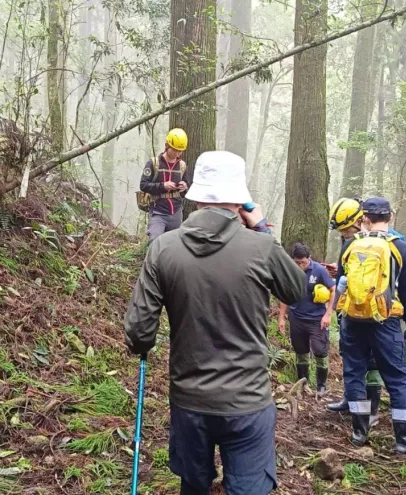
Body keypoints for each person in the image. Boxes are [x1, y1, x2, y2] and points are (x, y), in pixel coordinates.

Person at [124, 150, 305, 495]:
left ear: (194, 195)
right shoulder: (261, 248)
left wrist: (142, 345)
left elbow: (138, 331)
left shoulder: (163, 248)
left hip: (189, 402)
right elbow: (296, 291)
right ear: (241, 200)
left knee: (194, 486)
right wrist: (263, 229)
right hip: (248, 403)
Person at [335, 197, 406, 457]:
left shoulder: (349, 245)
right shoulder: (401, 248)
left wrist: (340, 318)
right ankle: (405, 441)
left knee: (354, 373)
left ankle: (359, 433)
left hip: (352, 320)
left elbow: (341, 284)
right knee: (397, 379)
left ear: (364, 218)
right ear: (391, 216)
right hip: (385, 321)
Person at [325, 198, 384, 426]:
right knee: (351, 360)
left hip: (371, 311)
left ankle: (371, 411)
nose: (344, 234)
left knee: (371, 362)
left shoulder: (382, 242)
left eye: (346, 229)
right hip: (348, 309)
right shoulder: (349, 241)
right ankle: (351, 401)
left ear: (360, 221)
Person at [278, 242, 335, 394]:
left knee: (319, 350)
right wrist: (281, 317)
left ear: (309, 259)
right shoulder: (289, 271)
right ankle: (302, 383)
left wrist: (328, 313)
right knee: (300, 351)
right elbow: (285, 294)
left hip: (317, 318)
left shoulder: (319, 270)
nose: (301, 265)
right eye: (297, 262)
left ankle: (321, 385)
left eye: (304, 262)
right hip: (296, 317)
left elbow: (333, 289)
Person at [139, 128, 189, 243]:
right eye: (174, 150)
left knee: (175, 244)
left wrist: (184, 188)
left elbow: (187, 190)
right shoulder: (154, 163)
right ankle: (151, 261)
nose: (177, 153)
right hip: (157, 211)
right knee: (155, 241)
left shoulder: (182, 166)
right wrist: (162, 186)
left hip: (176, 212)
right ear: (167, 146)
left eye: (180, 151)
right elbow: (143, 185)